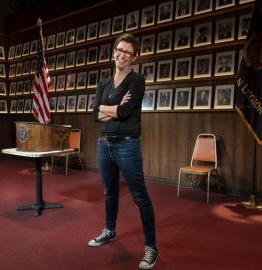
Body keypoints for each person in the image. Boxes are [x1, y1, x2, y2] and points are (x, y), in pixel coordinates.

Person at [90, 33, 158, 270]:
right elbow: (94, 114)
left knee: (140, 196)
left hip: (127, 145)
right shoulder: (104, 83)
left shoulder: (136, 80)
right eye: (119, 50)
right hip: (104, 144)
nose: (121, 55)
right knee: (110, 192)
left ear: (133, 57)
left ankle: (151, 247)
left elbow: (127, 111)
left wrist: (110, 109)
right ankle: (109, 231)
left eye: (127, 52)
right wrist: (114, 108)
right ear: (114, 52)